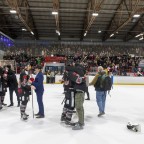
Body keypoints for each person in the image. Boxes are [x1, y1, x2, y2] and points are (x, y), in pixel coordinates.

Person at [66, 62, 86, 130]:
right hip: (79, 91)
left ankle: (80, 124)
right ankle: (81, 122)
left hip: (79, 92)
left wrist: (71, 74)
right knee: (80, 107)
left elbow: (78, 81)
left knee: (79, 107)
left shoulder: (79, 72)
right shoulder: (81, 72)